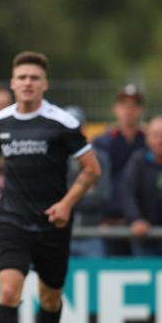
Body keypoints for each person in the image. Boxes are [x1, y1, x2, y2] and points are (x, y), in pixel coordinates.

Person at [0, 51, 100, 323]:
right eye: (22, 77)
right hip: (12, 220)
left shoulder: (63, 124)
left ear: (44, 84)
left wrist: (65, 204)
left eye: (34, 78)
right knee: (8, 291)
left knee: (50, 298)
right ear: (12, 83)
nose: (28, 83)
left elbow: (92, 169)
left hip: (52, 224)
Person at [92, 85, 146, 256]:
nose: (128, 111)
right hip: (110, 221)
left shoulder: (148, 141)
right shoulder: (102, 142)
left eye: (133, 106)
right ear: (115, 109)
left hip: (143, 224)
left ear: (141, 110)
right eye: (124, 105)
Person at [63, 106, 110, 258]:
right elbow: (53, 196)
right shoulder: (55, 158)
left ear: (84, 129)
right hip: (62, 234)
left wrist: (68, 199)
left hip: (92, 234)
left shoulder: (99, 157)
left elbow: (102, 196)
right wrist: (85, 190)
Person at [121, 116, 162, 256]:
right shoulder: (138, 161)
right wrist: (136, 219)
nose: (160, 140)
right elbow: (127, 193)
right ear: (148, 138)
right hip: (146, 238)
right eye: (156, 135)